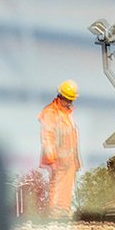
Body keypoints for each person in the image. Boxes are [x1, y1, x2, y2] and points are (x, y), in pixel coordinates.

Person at [38, 80, 82, 216]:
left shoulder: (67, 114)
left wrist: (76, 160)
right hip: (58, 159)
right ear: (60, 96)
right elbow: (47, 137)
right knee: (57, 186)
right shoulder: (51, 113)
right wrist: (52, 159)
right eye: (68, 99)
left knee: (67, 186)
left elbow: (72, 138)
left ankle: (63, 211)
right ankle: (55, 213)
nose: (69, 103)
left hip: (69, 160)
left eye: (71, 100)